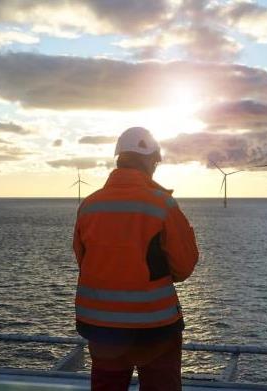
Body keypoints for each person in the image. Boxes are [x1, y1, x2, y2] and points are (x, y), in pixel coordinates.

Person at [72, 126, 199, 391]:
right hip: (154, 326)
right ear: (151, 160)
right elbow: (184, 265)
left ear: (120, 158)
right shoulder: (162, 205)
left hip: (101, 326)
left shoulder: (89, 205)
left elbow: (83, 259)